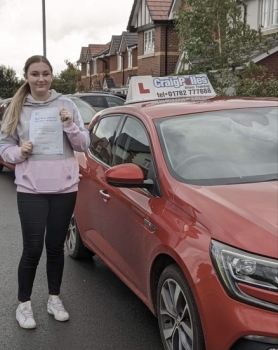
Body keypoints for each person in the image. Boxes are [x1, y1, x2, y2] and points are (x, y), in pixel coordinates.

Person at [0, 55, 90, 329]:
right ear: (26, 76)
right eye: (35, 74)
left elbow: (84, 144)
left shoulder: (67, 105)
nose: (41, 79)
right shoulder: (17, 108)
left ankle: (53, 298)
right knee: (32, 248)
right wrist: (19, 151)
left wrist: (69, 125)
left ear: (52, 76)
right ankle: (24, 304)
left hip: (64, 188)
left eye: (45, 73)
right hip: (32, 189)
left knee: (55, 248)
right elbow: (4, 147)